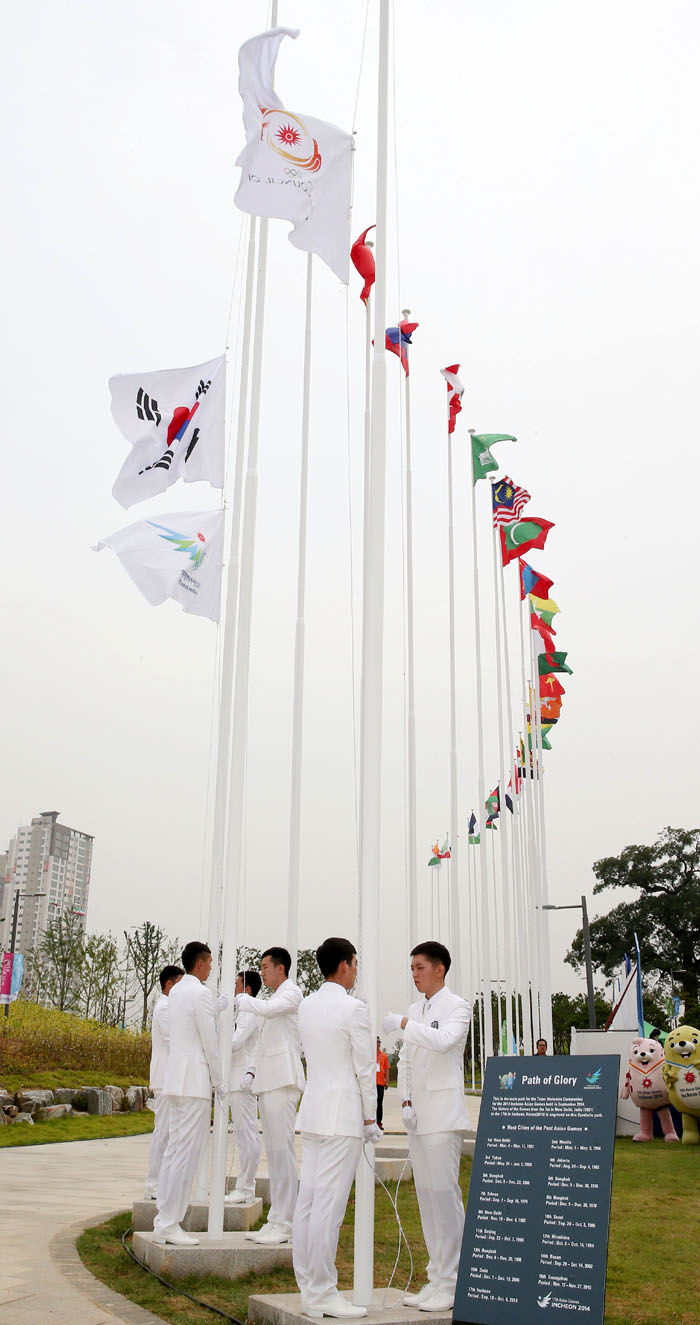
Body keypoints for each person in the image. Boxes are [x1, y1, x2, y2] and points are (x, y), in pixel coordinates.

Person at [382, 940, 471, 1314]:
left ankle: (453, 1280)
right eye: (412, 968)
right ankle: (436, 1277)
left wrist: (405, 1024)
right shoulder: (417, 1008)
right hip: (419, 1116)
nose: (415, 974)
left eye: (420, 967)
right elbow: (407, 1058)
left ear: (439, 968)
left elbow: (444, 1042)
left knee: (444, 1196)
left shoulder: (458, 1006)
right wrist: (405, 1100)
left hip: (444, 1115)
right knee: (426, 1198)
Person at [293, 937, 378, 1319]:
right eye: (355, 964)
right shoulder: (354, 1009)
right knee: (327, 1207)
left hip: (312, 1111)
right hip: (341, 1116)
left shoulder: (306, 1006)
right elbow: (364, 1067)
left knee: (308, 1204)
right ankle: (323, 1292)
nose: (356, 971)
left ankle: (309, 1290)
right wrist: (369, 1118)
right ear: (343, 965)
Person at [152, 941, 227, 1247]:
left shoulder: (178, 991)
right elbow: (209, 1041)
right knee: (186, 1153)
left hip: (175, 1078)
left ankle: (164, 1219)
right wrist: (220, 1080)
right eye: (209, 963)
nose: (211, 968)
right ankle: (170, 1222)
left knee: (175, 1151)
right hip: (194, 1079)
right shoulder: (200, 992)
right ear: (200, 964)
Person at [238, 945, 305, 1246]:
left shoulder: (291, 993)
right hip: (267, 1080)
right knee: (274, 1153)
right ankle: (276, 1218)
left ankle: (285, 1221)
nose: (262, 971)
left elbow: (266, 1011)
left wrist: (245, 1000)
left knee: (282, 1151)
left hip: (284, 1079)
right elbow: (262, 1044)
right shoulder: (272, 999)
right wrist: (251, 1072)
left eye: (265, 967)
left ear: (281, 968)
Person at [144, 963, 184, 1200]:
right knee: (163, 1131)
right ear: (168, 984)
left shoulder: (170, 1007)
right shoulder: (165, 1008)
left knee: (170, 1130)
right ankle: (154, 1184)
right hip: (165, 1076)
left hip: (171, 1076)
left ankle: (162, 1182)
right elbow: (174, 1039)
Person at [225, 968, 263, 1206]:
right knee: (243, 1134)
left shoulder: (249, 1013)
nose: (234, 989)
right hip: (237, 1080)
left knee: (246, 1135)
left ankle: (246, 1186)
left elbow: (235, 1043)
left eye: (237, 985)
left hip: (242, 1080)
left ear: (247, 989)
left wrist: (214, 1035)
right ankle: (245, 1184)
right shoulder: (244, 1013)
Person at [375, 1038, 390, 1130]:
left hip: (380, 1083)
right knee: (371, 1103)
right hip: (371, 1083)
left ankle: (379, 1122)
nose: (378, 1043)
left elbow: (387, 1069)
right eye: (376, 1042)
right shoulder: (370, 1055)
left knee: (379, 1103)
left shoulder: (383, 1056)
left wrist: (387, 1081)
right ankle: (371, 1122)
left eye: (379, 1042)